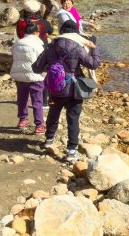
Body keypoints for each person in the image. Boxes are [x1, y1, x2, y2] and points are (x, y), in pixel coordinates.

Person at [34, 21, 99, 162]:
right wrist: (94, 48)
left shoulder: (51, 46)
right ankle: (71, 151)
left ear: (61, 31)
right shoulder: (77, 47)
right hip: (73, 89)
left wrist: (52, 69)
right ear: (75, 33)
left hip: (55, 88)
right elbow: (93, 64)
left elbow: (36, 67)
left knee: (53, 113)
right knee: (73, 118)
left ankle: (49, 140)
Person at [11, 25, 46, 134]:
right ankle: (39, 124)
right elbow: (43, 59)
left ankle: (23, 120)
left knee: (22, 98)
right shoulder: (37, 44)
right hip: (34, 75)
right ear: (36, 32)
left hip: (19, 75)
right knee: (37, 101)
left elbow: (13, 55)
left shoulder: (17, 43)